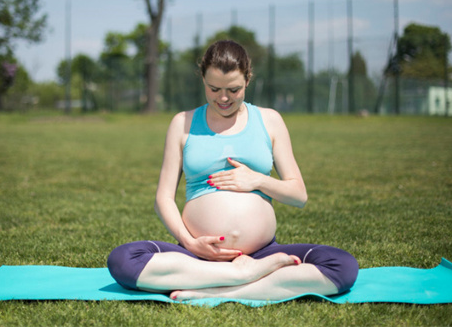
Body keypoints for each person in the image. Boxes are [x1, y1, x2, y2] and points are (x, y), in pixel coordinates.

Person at [108, 40, 358, 301]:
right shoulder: (182, 123)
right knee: (123, 260)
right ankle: (243, 277)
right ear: (202, 79)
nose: (223, 98)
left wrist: (258, 180)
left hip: (261, 252)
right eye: (214, 88)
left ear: (248, 79)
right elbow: (163, 198)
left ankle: (216, 288)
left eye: (234, 89)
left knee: (342, 266)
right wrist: (189, 241)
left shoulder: (270, 120)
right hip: (198, 255)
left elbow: (299, 195)